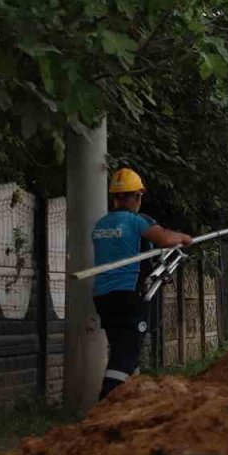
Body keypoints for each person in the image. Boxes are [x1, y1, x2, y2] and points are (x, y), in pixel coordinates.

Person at [91, 168, 193, 400]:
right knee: (127, 354)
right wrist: (184, 238)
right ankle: (105, 404)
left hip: (102, 297)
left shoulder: (101, 225)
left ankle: (132, 403)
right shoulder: (137, 221)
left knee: (123, 349)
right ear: (137, 196)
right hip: (128, 295)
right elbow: (165, 238)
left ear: (114, 197)